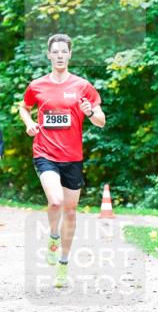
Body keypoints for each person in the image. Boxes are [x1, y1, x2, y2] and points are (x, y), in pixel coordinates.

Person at [18, 34, 106, 286]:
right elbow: (24, 107)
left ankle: (63, 263)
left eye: (63, 52)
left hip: (72, 157)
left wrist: (91, 114)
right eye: (54, 51)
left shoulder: (82, 86)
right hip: (45, 152)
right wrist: (29, 123)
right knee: (55, 202)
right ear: (48, 55)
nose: (59, 55)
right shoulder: (37, 86)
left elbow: (101, 121)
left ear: (69, 55)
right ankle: (53, 237)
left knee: (70, 211)